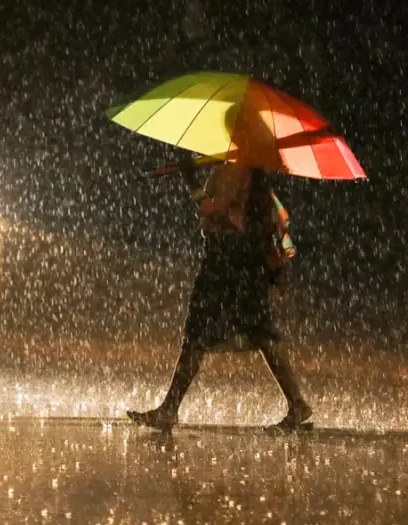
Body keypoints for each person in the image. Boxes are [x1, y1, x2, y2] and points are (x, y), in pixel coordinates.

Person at [127, 160, 313, 432]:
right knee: (259, 334)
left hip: (225, 263)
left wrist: (190, 180)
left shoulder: (235, 168)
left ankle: (169, 409)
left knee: (199, 333)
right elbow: (269, 226)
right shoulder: (255, 175)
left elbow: (210, 209)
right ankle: (296, 403)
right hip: (245, 264)